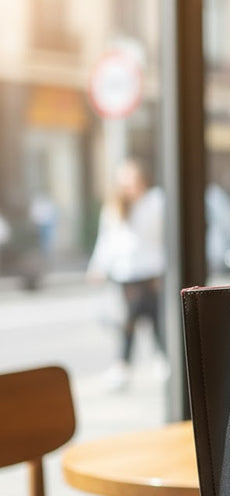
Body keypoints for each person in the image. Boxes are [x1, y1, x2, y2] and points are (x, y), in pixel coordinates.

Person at [87, 158, 166, 390]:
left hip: (151, 272)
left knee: (156, 319)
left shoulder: (155, 202)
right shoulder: (114, 208)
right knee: (126, 322)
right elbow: (106, 240)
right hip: (126, 274)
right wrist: (98, 266)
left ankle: (162, 358)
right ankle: (122, 364)